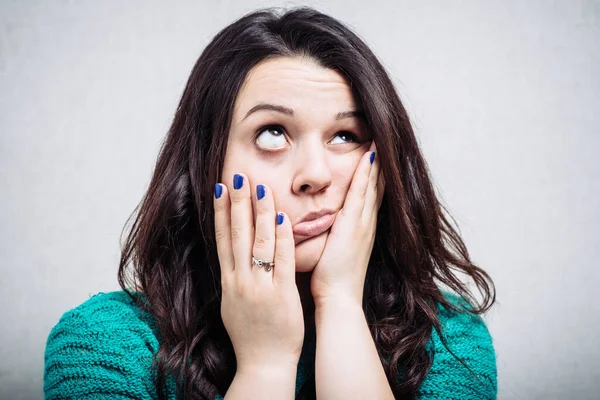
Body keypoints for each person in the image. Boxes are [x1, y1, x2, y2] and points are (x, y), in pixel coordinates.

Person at [44, 6, 497, 400]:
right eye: (272, 132)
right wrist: (266, 364)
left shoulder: (450, 342)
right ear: (206, 164)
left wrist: (339, 304)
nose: (316, 174)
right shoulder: (105, 343)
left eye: (345, 136)